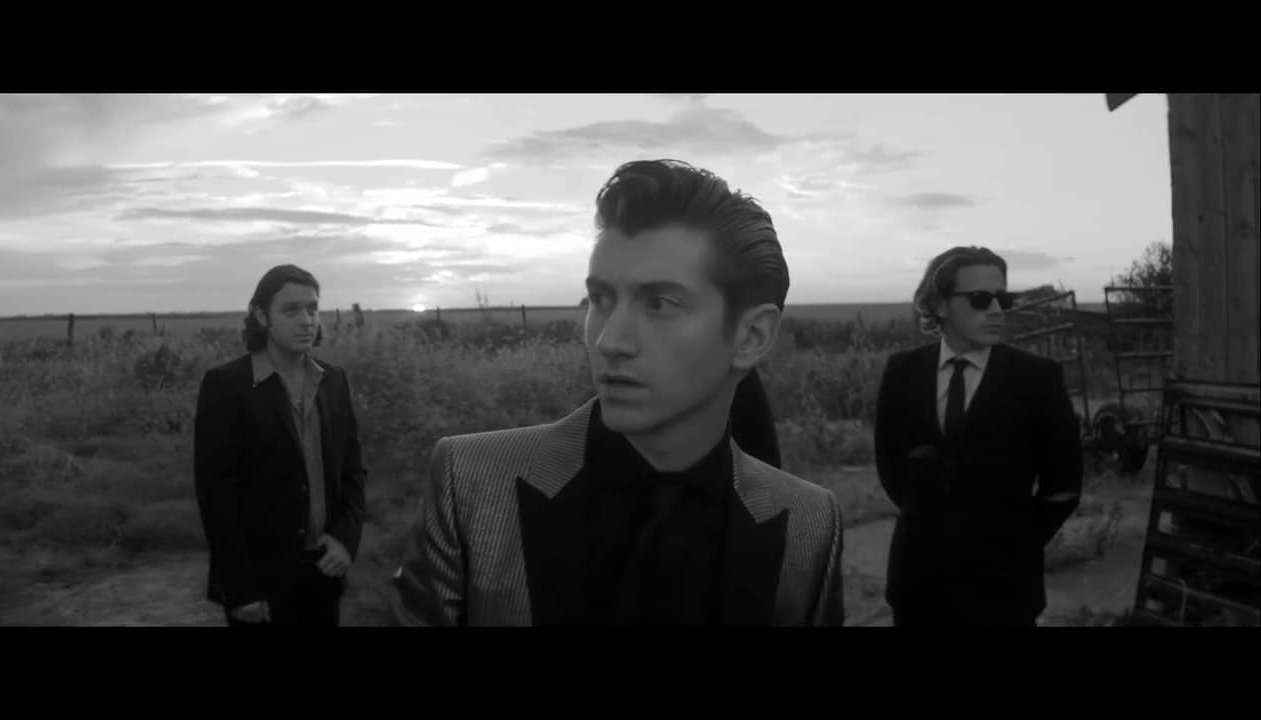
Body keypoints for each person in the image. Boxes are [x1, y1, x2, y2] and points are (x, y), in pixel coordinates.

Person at [390, 159, 844, 626]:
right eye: (601, 299)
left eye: (659, 303)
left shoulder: (810, 525)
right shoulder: (471, 485)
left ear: (752, 336)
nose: (610, 340)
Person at [873, 246, 1082, 627]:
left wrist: (1013, 543)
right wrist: (932, 522)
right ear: (939, 305)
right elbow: (891, 468)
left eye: (1003, 299)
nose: (997, 310)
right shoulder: (903, 372)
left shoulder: (1037, 379)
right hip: (918, 583)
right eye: (981, 299)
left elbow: (1064, 485)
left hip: (1004, 592)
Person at [193, 264, 367, 626]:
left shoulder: (333, 380)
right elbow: (216, 495)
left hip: (324, 566)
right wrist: (240, 586)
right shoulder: (227, 386)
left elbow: (352, 470)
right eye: (291, 310)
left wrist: (345, 539)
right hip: (261, 576)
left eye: (312, 309)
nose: (306, 321)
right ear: (261, 316)